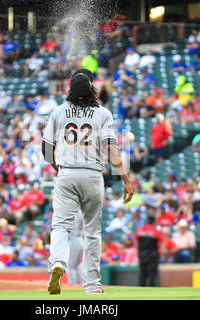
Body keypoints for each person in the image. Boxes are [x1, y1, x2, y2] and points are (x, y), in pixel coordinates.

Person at [42, 68, 134, 295]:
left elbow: (45, 150)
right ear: (92, 89)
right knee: (92, 232)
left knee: (61, 226)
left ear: (70, 90)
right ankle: (92, 287)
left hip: (66, 174)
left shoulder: (58, 112)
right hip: (93, 174)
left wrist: (59, 167)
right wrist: (125, 179)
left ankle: (57, 264)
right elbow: (112, 150)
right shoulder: (103, 114)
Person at [134, 215, 163, 286]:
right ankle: (151, 288)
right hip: (153, 255)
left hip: (142, 254)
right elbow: (162, 242)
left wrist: (138, 253)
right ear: (153, 222)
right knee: (152, 274)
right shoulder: (155, 231)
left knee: (142, 273)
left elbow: (136, 242)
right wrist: (160, 253)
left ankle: (141, 289)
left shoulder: (139, 229)